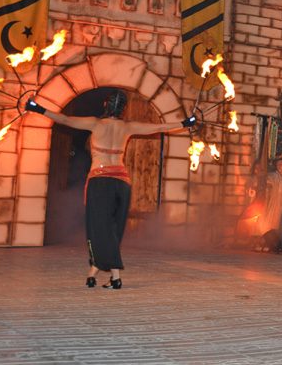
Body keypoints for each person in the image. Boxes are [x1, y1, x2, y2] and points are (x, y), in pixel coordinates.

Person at [25, 90, 195, 289]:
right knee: (113, 229)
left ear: (106, 105)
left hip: (100, 180)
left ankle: (108, 275)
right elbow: (159, 126)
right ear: (123, 108)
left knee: (98, 229)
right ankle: (104, 276)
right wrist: (186, 123)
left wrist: (37, 108)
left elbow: (64, 119)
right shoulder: (128, 127)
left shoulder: (95, 124)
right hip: (122, 183)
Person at [259, 158, 282, 242]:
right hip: (274, 203)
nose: (279, 166)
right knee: (272, 222)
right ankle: (269, 241)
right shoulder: (273, 176)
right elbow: (265, 180)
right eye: (277, 165)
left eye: (281, 164)